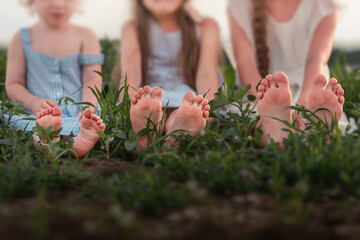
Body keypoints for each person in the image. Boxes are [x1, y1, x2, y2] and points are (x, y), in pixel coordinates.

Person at [228, 0, 346, 144]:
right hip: (258, 92)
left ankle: (299, 128)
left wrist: (305, 102)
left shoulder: (324, 6)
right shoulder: (240, 6)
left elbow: (316, 60)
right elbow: (245, 63)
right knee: (255, 117)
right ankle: (284, 129)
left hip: (308, 88)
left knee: (312, 109)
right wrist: (266, 100)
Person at [5, 0, 105, 157]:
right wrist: (32, 102)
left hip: (78, 113)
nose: (58, 4)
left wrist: (88, 106)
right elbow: (13, 83)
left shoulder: (85, 35)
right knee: (34, 129)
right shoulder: (22, 38)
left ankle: (80, 138)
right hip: (37, 114)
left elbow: (92, 77)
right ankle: (51, 140)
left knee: (90, 123)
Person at [120, 0, 220, 150]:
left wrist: (210, 109)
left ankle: (176, 132)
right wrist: (127, 107)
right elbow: (131, 72)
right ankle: (149, 131)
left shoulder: (206, 26)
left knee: (183, 113)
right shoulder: (133, 28)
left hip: (187, 96)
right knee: (151, 109)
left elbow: (207, 73)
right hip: (150, 96)